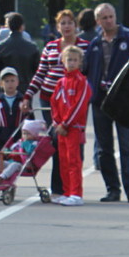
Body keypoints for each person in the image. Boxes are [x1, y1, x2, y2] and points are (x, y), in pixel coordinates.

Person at [23, 9, 89, 197]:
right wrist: (28, 95)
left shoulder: (85, 46)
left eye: (70, 23)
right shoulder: (50, 47)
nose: (66, 26)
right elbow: (40, 73)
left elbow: (90, 73)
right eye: (62, 23)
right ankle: (58, 187)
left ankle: (74, 188)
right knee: (57, 140)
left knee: (75, 143)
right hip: (50, 100)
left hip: (75, 102)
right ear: (58, 27)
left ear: (75, 25)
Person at [83, 2, 129, 203]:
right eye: (104, 18)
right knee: (104, 148)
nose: (108, 21)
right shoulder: (94, 44)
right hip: (101, 101)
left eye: (111, 17)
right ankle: (112, 189)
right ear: (97, 21)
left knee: (127, 146)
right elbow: (86, 70)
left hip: (124, 101)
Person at [49, 44, 91, 206]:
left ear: (80, 62)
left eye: (75, 60)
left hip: (73, 128)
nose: (71, 63)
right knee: (63, 161)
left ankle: (76, 193)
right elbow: (54, 103)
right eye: (69, 60)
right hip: (61, 129)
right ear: (63, 61)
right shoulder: (61, 82)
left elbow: (79, 106)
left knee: (73, 161)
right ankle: (66, 192)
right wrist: (57, 122)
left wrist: (65, 123)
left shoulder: (82, 82)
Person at [0, 12, 40, 111]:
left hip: (3, 89)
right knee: (24, 116)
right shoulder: (32, 48)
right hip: (24, 89)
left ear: (8, 27)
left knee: (2, 115)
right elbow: (38, 71)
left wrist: (1, 76)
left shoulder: (0, 46)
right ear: (22, 26)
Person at [0, 118, 46, 183]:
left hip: (24, 165)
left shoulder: (34, 144)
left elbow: (30, 152)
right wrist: (7, 151)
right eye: (24, 133)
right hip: (11, 162)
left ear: (34, 134)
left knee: (14, 164)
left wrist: (25, 144)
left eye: (28, 134)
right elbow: (12, 149)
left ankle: (1, 177)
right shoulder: (20, 142)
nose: (25, 136)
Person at [0, 66, 28, 159]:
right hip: (1, 143)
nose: (10, 84)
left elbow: (30, 120)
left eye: (12, 81)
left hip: (19, 143)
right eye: (7, 81)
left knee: (17, 165)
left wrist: (23, 135)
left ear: (17, 82)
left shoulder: (23, 101)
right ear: (1, 84)